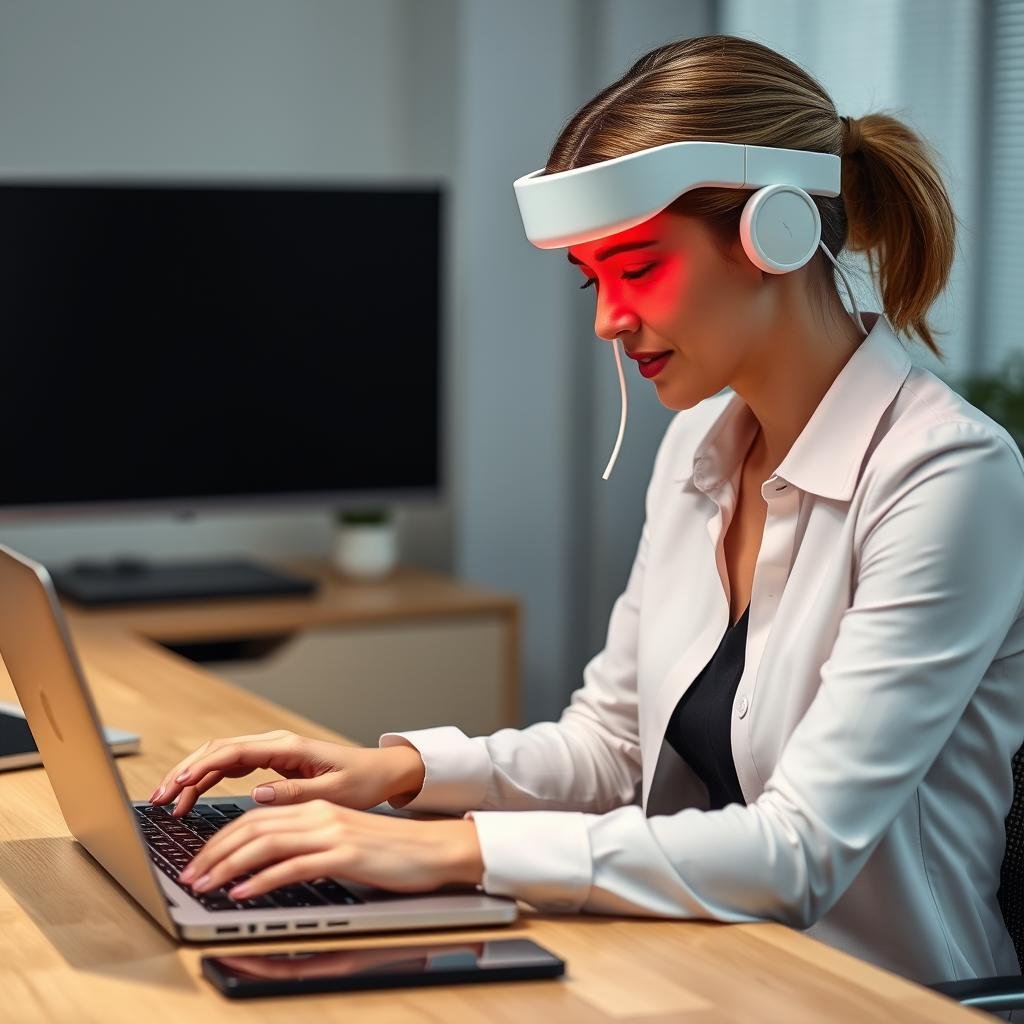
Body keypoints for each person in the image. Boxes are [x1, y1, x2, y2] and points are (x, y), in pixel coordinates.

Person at [150, 35, 1024, 988]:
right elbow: (609, 747)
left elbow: (800, 851)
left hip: (881, 997)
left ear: (775, 234)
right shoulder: (700, 448)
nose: (607, 319)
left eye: (639, 269)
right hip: (702, 963)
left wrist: (448, 852)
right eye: (593, 281)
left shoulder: (946, 476)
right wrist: (394, 774)